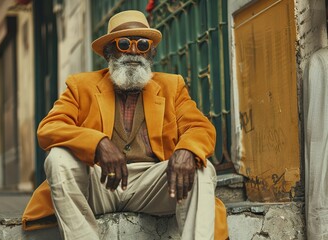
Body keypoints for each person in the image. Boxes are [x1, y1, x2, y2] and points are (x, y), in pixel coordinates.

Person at [22, 10, 228, 240]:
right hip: (100, 184)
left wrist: (186, 150)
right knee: (58, 158)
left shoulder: (172, 86)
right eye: (123, 43)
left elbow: (200, 127)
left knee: (200, 166)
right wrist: (97, 143)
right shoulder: (81, 86)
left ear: (151, 52)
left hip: (154, 185)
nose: (132, 51)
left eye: (142, 44)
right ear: (108, 51)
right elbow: (49, 128)